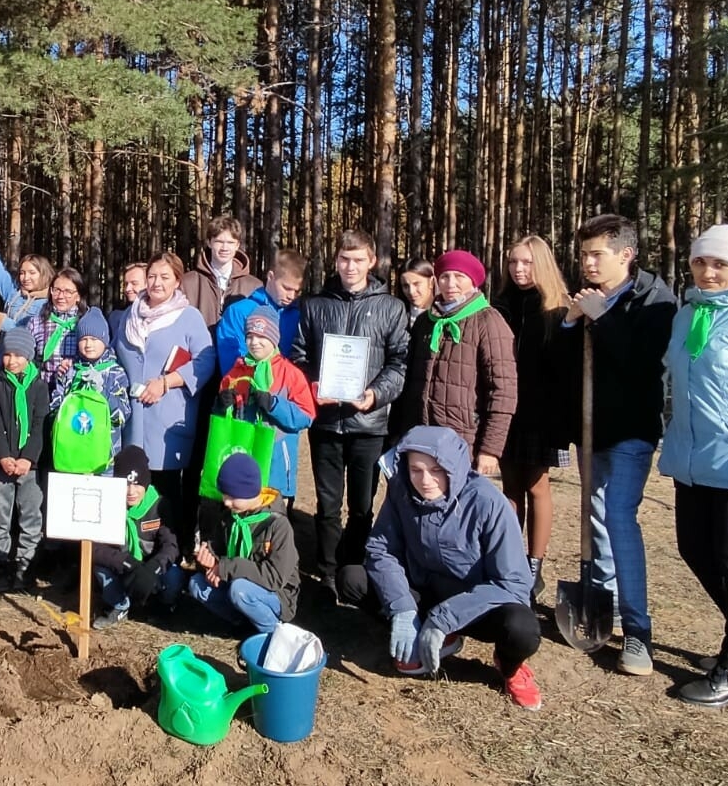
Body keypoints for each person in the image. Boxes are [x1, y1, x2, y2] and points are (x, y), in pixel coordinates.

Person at [341, 425, 542, 711]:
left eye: (436, 470)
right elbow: (381, 549)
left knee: (522, 630)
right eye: (416, 469)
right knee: (352, 579)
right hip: (423, 590)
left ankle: (510, 667)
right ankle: (422, 630)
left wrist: (445, 618)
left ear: (455, 467)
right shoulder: (401, 490)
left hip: (474, 603)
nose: (425, 481)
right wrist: (402, 608)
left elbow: (513, 583)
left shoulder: (488, 502)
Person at [558, 214, 676, 676]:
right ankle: (600, 602)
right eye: (583, 254)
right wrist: (570, 325)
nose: (587, 263)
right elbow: (564, 367)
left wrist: (602, 317)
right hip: (591, 431)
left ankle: (638, 632)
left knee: (618, 518)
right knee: (595, 515)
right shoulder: (588, 297)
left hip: (630, 431)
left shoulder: (655, 300)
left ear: (626, 254)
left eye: (597, 254)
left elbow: (643, 364)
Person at [291, 230, 410, 596]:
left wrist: (375, 395)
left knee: (361, 506)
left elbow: (400, 362)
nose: (351, 266)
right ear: (336, 260)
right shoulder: (315, 305)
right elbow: (298, 356)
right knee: (328, 505)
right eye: (345, 259)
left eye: (358, 260)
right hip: (326, 423)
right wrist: (313, 387)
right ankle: (327, 572)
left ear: (371, 261)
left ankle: (353, 568)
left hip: (369, 425)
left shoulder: (391, 307)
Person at [660, 224, 728, 707]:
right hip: (691, 457)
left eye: (720, 264)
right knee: (693, 548)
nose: (708, 272)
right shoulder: (688, 314)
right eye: (700, 262)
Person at [112, 252, 216, 550]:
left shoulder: (188, 317)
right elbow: (116, 354)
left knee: (166, 491)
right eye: (152, 276)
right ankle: (133, 550)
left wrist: (166, 382)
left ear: (177, 281)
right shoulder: (130, 316)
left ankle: (173, 552)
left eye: (165, 277)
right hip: (133, 418)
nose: (157, 283)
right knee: (132, 485)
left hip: (168, 419)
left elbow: (205, 360)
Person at [493, 235, 571, 600]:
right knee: (509, 486)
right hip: (506, 407)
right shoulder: (500, 306)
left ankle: (534, 564)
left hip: (543, 411)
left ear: (541, 264)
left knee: (537, 484)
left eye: (526, 262)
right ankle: (511, 562)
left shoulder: (559, 309)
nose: (519, 269)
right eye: (513, 262)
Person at [395, 249, 516, 476]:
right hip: (420, 437)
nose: (451, 283)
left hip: (463, 441)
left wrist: (490, 449)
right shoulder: (425, 322)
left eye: (459, 276)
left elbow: (503, 391)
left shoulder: (488, 321)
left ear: (473, 280)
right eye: (444, 276)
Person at [215, 305, 317, 504]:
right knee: (239, 513)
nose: (255, 343)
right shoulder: (236, 373)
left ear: (274, 338)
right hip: (242, 458)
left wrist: (273, 405)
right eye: (250, 337)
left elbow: (306, 416)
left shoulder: (290, 374)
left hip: (275, 464)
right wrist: (220, 405)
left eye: (261, 336)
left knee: (273, 518)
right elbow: (222, 420)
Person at [188, 453, 300, 635]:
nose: (226, 501)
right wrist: (209, 559)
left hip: (275, 595)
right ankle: (243, 623)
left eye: (232, 496)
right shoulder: (230, 517)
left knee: (239, 589)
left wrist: (226, 567)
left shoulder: (278, 525)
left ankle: (273, 633)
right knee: (196, 584)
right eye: (224, 494)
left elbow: (275, 578)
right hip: (238, 584)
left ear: (250, 492)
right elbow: (218, 549)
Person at [0, 328, 50, 591]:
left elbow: (40, 423)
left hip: (29, 466)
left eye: (18, 355)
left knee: (31, 515)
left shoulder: (39, 386)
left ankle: (25, 564)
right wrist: (3, 456)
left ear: (29, 357)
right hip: (1, 463)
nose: (12, 361)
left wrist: (28, 458)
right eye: (7, 355)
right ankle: (0, 563)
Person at [91, 446, 182, 629]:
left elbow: (170, 546)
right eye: (125, 484)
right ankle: (119, 605)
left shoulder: (159, 505)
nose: (131, 491)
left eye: (137, 484)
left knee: (174, 574)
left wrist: (153, 568)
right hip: (124, 567)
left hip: (150, 570)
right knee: (100, 568)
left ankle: (162, 605)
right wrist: (126, 563)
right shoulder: (107, 504)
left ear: (146, 483)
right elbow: (94, 548)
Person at [48, 307, 131, 472]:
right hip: (70, 455)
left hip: (104, 458)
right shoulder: (70, 371)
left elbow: (122, 416)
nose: (88, 345)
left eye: (94, 339)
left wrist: (103, 391)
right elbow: (55, 410)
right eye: (83, 339)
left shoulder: (115, 373)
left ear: (105, 340)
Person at [215, 249, 307, 376]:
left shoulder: (300, 315)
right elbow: (233, 366)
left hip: (290, 386)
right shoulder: (238, 312)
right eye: (286, 288)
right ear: (270, 277)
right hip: (250, 385)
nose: (291, 296)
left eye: (297, 291)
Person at [0, 206, 54, 334]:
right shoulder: (14, 293)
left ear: (44, 274)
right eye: (22, 273)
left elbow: (29, 334)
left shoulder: (50, 303)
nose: (25, 278)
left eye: (32, 273)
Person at [179, 215, 263, 331]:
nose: (224, 248)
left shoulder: (254, 286)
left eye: (230, 242)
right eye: (219, 241)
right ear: (209, 243)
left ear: (237, 245)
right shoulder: (187, 283)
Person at [27, 267, 87, 384]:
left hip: (77, 387)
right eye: (57, 290)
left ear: (78, 296)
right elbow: (26, 359)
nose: (60, 296)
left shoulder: (86, 323)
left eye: (68, 292)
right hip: (43, 387)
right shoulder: (37, 323)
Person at [107, 262, 148, 338]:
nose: (127, 289)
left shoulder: (162, 317)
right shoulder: (117, 319)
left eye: (134, 283)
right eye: (126, 284)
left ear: (148, 284)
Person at [400, 258, 435, 326]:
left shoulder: (445, 315)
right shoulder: (397, 316)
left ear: (431, 282)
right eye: (406, 286)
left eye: (416, 284)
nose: (411, 291)